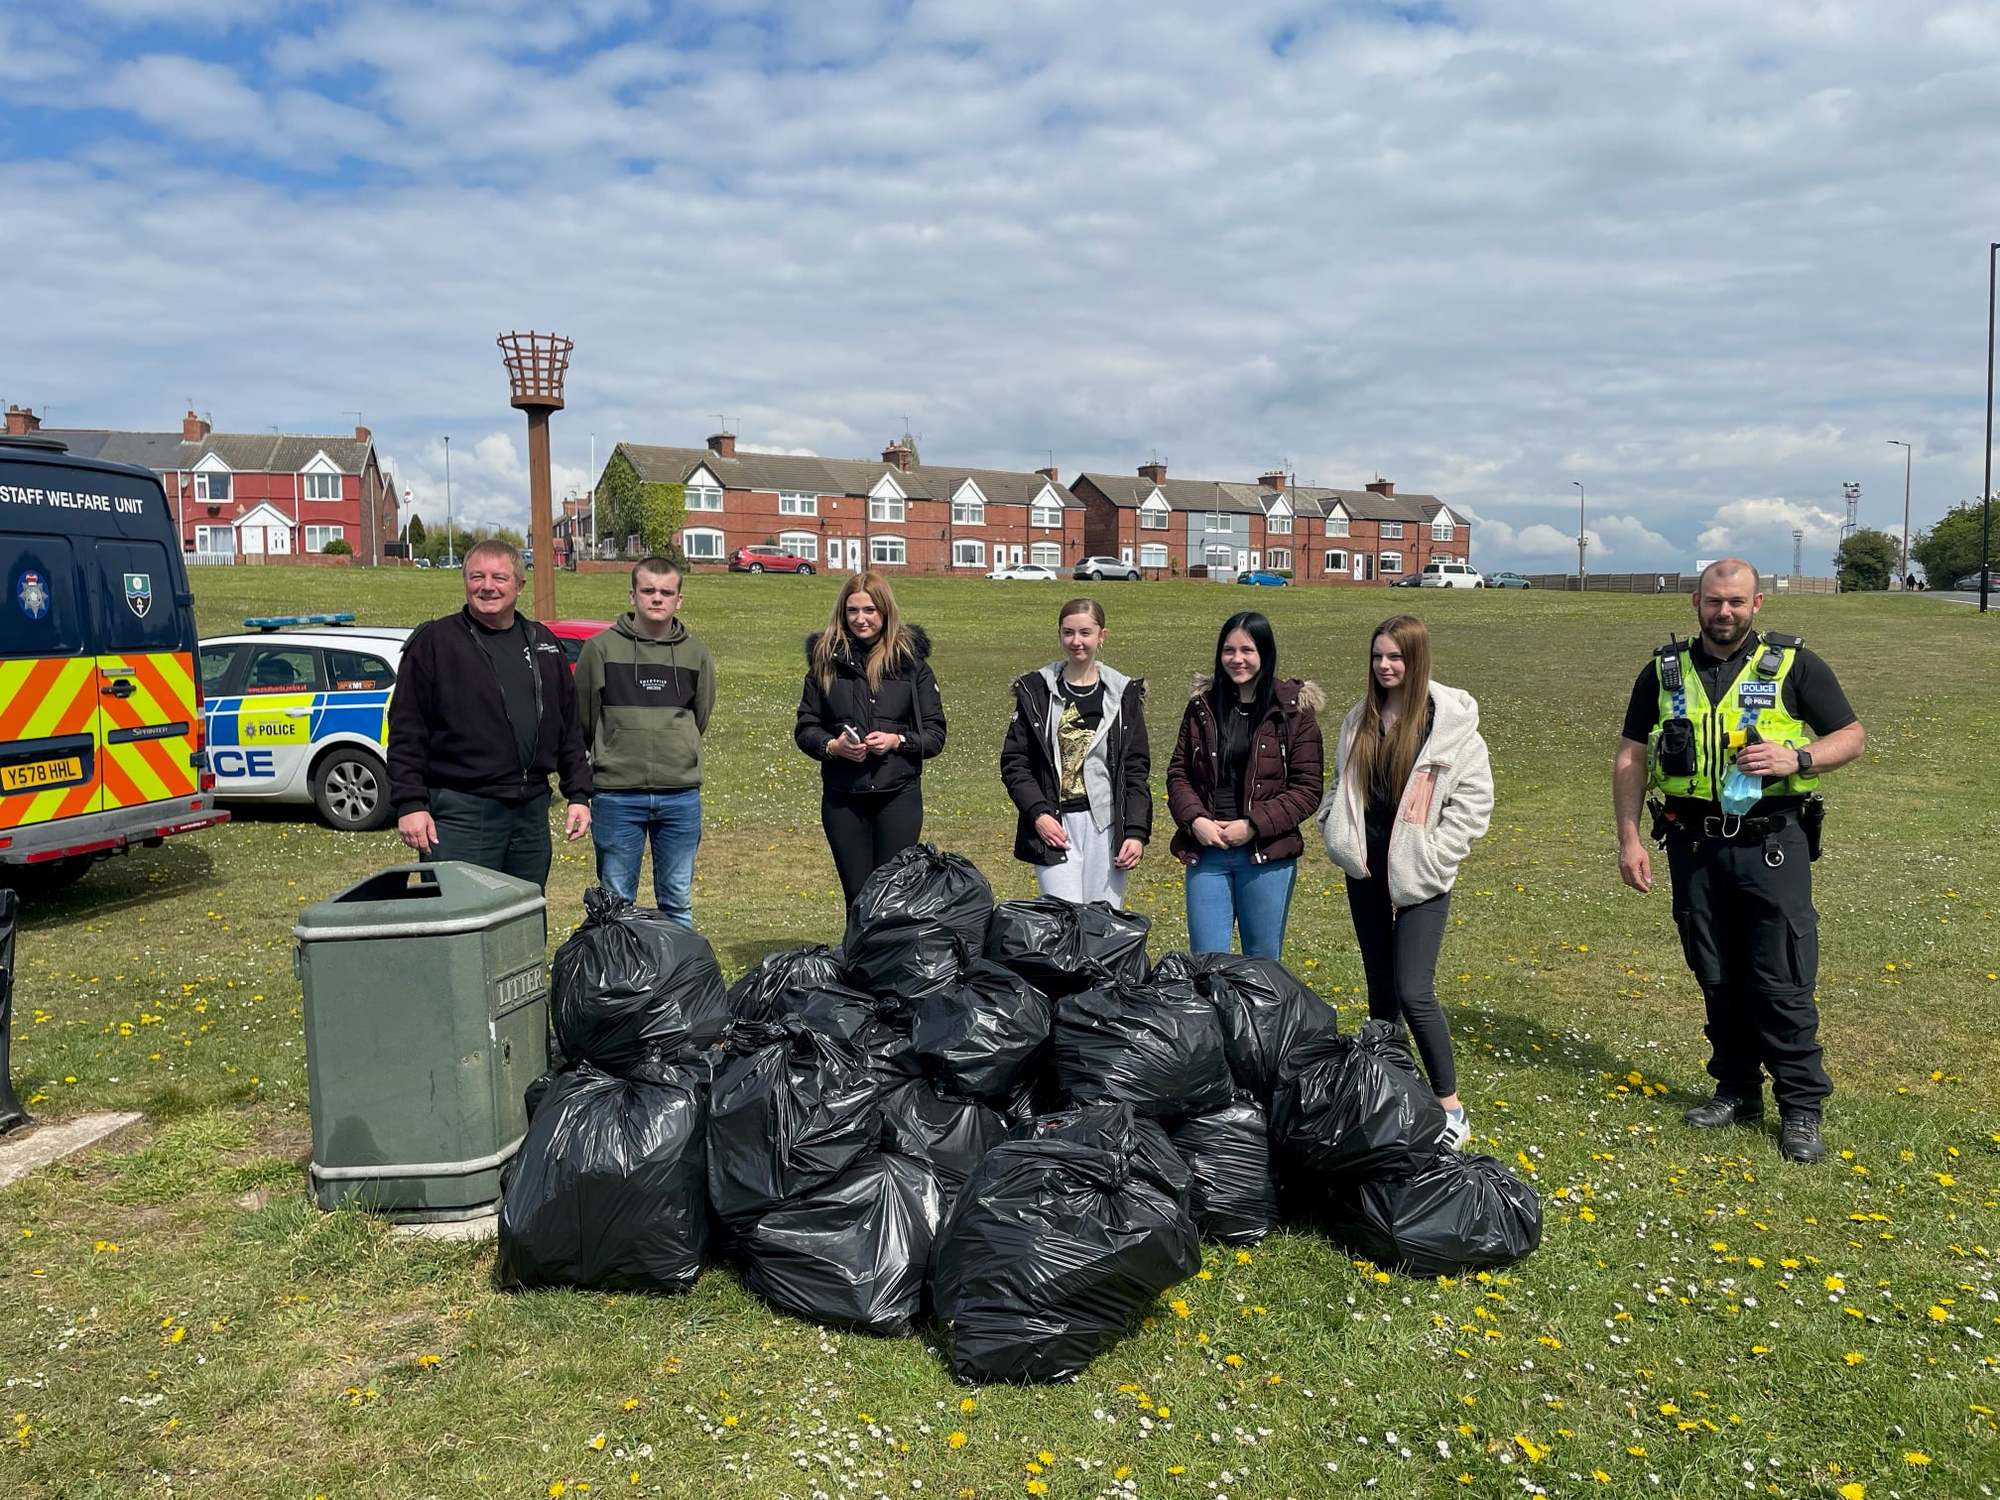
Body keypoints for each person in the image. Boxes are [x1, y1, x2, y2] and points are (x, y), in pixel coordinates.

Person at [1612, 558, 1866, 1165]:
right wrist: (1628, 838)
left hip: (1771, 843)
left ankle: (1801, 1108)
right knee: (1716, 972)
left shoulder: (1794, 664)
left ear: (1757, 606)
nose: (1724, 612)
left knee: (1781, 977)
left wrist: (1797, 759)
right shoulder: (1664, 671)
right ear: (1695, 602)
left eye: (1736, 602)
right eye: (1713, 601)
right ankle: (1736, 1091)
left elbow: (1851, 736)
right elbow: (1630, 754)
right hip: (1694, 845)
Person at [1318, 615, 1493, 1149]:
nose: (1386, 666)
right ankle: (1393, 1090)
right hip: (1366, 870)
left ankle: (1449, 1106)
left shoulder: (1450, 725)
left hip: (1421, 876)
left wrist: (1438, 856)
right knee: (1380, 992)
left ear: (1417, 661)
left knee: (1414, 990)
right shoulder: (1360, 720)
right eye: (1378, 657)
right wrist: (1334, 828)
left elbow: (1474, 802)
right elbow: (1338, 786)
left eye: (1396, 657)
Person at [389, 539, 591, 887]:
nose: (487, 586)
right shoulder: (435, 643)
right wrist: (410, 804)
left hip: (529, 811)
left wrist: (578, 794)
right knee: (459, 918)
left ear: (519, 585)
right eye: (476, 576)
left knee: (522, 915)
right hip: (461, 811)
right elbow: (407, 729)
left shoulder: (543, 643)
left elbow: (568, 726)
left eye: (499, 577)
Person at [1166, 611, 1324, 959]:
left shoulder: (1293, 713)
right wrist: (1196, 821)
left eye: (1247, 650)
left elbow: (1308, 788)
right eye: (1228, 650)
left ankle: (1260, 1018)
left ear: (1265, 654)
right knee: (1206, 963)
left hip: (1265, 856)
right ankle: (1215, 1017)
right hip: (1208, 851)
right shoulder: (1201, 708)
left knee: (1262, 963)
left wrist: (1253, 825)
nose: (1237, 659)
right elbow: (1179, 774)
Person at [573, 557, 715, 925]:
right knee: (616, 900)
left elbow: (699, 716)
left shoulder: (696, 653)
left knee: (678, 901)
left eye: (666, 592)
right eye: (648, 590)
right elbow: (585, 718)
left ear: (679, 600)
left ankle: (678, 979)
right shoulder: (600, 649)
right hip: (618, 794)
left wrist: (675, 746)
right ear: (632, 594)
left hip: (680, 795)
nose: (657, 599)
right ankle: (617, 978)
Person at [794, 571, 947, 906]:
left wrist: (897, 741)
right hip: (843, 798)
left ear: (885, 612)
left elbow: (935, 736)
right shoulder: (825, 663)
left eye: (869, 610)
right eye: (853, 611)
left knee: (892, 895)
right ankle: (859, 959)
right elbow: (805, 728)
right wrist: (833, 746)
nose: (861, 619)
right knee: (858, 896)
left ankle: (890, 959)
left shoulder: (911, 666)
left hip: (898, 795)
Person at [1000, 597, 1150, 905]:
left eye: (1085, 632)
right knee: (1064, 922)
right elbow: (1015, 763)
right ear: (1059, 634)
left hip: (1105, 826)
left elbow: (1135, 769)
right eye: (1068, 633)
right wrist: (1038, 814)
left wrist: (1135, 831)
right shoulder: (1036, 691)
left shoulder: (1123, 694)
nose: (1076, 641)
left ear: (1101, 636)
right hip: (1056, 825)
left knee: (1102, 926)